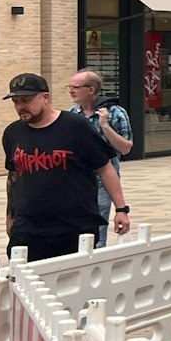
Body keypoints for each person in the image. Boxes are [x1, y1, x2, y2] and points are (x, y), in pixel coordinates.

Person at [1, 73, 130, 260]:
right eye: (16, 102)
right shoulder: (13, 133)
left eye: (27, 100)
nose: (21, 107)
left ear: (45, 98)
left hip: (75, 224)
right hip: (29, 225)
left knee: (71, 284)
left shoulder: (75, 126)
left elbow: (105, 168)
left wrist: (121, 209)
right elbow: (13, 176)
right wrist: (10, 217)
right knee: (23, 281)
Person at [65, 69, 132, 246]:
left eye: (76, 87)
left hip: (104, 177)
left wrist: (105, 126)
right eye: (69, 87)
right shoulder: (71, 114)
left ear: (91, 90)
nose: (71, 91)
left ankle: (97, 259)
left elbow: (125, 148)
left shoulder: (116, 113)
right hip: (77, 178)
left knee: (98, 225)